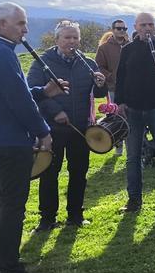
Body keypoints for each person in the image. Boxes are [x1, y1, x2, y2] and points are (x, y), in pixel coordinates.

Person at [0, 2, 65, 273]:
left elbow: (10, 92)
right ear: (2, 25)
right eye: (21, 23)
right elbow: (17, 100)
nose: (26, 29)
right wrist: (42, 130)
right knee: (12, 206)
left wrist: (43, 91)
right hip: (10, 140)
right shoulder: (0, 53)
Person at [27, 21, 107, 231]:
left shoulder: (88, 63)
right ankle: (47, 219)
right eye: (67, 38)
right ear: (57, 40)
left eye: (75, 38)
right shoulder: (43, 62)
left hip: (80, 127)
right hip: (53, 128)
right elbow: (33, 93)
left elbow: (97, 94)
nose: (72, 42)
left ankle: (75, 215)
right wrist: (56, 112)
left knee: (79, 171)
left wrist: (101, 84)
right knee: (50, 173)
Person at [115, 12, 155, 212]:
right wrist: (120, 103)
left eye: (150, 25)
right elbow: (121, 78)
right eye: (142, 25)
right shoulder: (128, 50)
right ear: (135, 27)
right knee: (133, 156)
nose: (146, 28)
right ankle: (134, 200)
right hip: (133, 109)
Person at [95, 19, 129, 155]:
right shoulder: (104, 48)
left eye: (124, 29)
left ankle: (132, 147)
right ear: (113, 30)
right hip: (113, 88)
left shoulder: (131, 46)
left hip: (130, 89)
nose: (122, 31)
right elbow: (98, 66)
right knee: (115, 117)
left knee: (131, 117)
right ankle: (118, 145)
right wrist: (110, 76)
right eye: (119, 28)